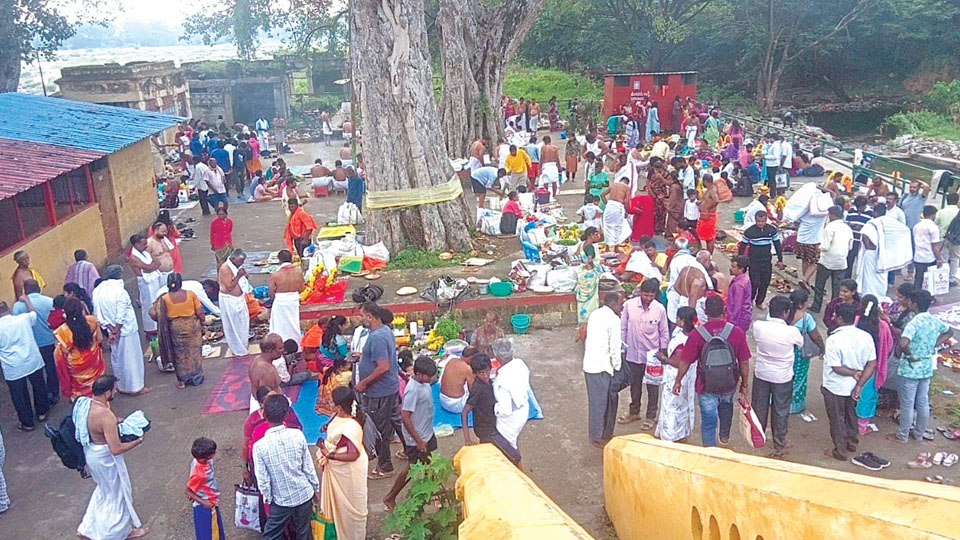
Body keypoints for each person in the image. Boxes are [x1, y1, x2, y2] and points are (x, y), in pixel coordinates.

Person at [74, 375, 148, 539]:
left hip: (91, 453)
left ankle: (88, 527)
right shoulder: (105, 415)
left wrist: (115, 422)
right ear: (107, 393)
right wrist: (138, 441)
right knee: (117, 493)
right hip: (105, 458)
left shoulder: (84, 404)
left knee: (103, 490)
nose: (115, 391)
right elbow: (116, 449)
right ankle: (118, 532)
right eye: (113, 389)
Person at [675, 296, 751, 447]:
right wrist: (744, 384)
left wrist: (678, 380)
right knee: (726, 406)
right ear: (724, 310)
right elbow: (744, 362)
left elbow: (685, 361)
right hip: (729, 382)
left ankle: (710, 452)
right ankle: (724, 434)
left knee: (708, 420)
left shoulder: (697, 334)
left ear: (705, 311)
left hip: (706, 385)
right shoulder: (736, 332)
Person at [888, 289, 952, 445]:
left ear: (914, 304)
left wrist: (910, 355)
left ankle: (902, 435)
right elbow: (949, 332)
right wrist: (934, 345)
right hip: (926, 366)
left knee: (907, 403)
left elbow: (903, 343)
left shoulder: (914, 323)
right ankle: (918, 433)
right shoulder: (933, 320)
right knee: (922, 402)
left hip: (910, 368)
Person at [253, 394, 320, 540]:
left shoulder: (259, 447)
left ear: (264, 414)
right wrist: (315, 489)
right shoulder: (298, 435)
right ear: (286, 413)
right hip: (304, 493)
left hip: (281, 499)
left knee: (271, 535)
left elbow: (262, 480)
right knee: (304, 532)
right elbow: (308, 467)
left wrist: (269, 499)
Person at [821, 303, 877, 461]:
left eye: (835, 316)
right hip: (855, 385)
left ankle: (840, 451)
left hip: (835, 385)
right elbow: (872, 363)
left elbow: (836, 367)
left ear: (839, 318)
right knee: (851, 413)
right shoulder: (866, 336)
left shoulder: (834, 339)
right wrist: (859, 384)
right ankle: (852, 442)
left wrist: (853, 373)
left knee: (837, 418)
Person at [751, 296, 804, 458]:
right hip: (782, 376)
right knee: (780, 410)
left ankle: (758, 438)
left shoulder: (758, 326)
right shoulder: (792, 332)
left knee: (759, 407)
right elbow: (801, 343)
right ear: (786, 313)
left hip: (762, 372)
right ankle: (779, 443)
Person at [383, 356, 437, 511]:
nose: (431, 378)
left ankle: (434, 492)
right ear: (419, 374)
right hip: (418, 438)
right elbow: (405, 417)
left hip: (427, 432)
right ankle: (390, 497)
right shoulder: (412, 391)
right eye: (428, 376)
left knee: (431, 463)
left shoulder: (424, 383)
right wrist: (418, 440)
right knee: (412, 468)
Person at [356, 302, 401, 480]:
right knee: (394, 421)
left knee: (378, 429)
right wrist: (364, 357)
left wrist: (364, 383)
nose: (360, 319)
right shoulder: (384, 331)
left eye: (362, 316)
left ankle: (385, 466)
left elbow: (383, 367)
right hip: (388, 388)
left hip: (379, 391)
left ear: (370, 316)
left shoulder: (376, 337)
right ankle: (411, 451)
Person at [316, 387, 368, 540]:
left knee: (348, 508)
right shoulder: (338, 416)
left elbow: (353, 454)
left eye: (331, 401)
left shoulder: (351, 426)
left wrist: (329, 454)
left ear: (339, 407)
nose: (328, 402)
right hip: (339, 470)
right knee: (339, 507)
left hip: (348, 473)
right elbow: (337, 435)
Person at [618, 279, 668, 430]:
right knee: (635, 385)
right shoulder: (629, 306)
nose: (648, 298)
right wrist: (622, 349)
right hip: (633, 353)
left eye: (651, 296)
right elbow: (623, 328)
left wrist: (663, 352)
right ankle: (634, 412)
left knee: (652, 387)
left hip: (652, 357)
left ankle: (651, 416)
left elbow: (664, 332)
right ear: (640, 293)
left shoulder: (659, 309)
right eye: (645, 295)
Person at [92, 265, 149, 395]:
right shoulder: (120, 291)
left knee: (117, 358)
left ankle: (120, 386)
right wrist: (116, 330)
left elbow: (97, 313)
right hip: (125, 330)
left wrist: (110, 330)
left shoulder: (98, 291)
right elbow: (121, 313)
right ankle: (135, 388)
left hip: (110, 329)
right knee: (131, 358)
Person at [0, 295, 50, 431]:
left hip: (13, 366)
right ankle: (42, 413)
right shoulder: (22, 319)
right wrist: (27, 300)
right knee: (39, 386)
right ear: (9, 310)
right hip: (31, 359)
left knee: (19, 395)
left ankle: (27, 423)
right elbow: (33, 314)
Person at [462, 354, 522, 463]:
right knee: (514, 456)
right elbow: (465, 412)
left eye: (487, 371)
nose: (485, 375)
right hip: (486, 430)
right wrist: (467, 439)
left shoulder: (489, 382)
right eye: (481, 373)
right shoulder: (477, 389)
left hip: (495, 423)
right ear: (475, 373)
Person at [149, 273, 205, 388]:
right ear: (180, 283)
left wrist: (161, 320)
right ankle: (196, 378)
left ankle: (182, 381)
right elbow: (200, 312)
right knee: (194, 352)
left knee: (179, 353)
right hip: (192, 327)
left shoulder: (164, 298)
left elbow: (152, 313)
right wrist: (203, 323)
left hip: (175, 328)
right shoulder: (190, 294)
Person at [583, 292, 623, 447]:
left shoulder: (595, 314)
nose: (621, 307)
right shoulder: (613, 320)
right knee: (600, 404)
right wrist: (618, 366)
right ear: (613, 304)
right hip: (602, 367)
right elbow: (614, 347)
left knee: (598, 402)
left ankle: (601, 432)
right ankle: (597, 436)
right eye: (620, 304)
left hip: (591, 364)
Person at [12, 279, 58, 403]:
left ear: (25, 290)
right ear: (38, 288)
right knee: (51, 368)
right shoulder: (49, 301)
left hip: (31, 344)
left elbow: (17, 325)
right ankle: (54, 392)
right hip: (48, 341)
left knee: (37, 374)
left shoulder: (18, 306)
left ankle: (43, 397)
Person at [656, 307, 698, 443]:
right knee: (683, 404)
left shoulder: (681, 341)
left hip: (677, 377)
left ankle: (670, 435)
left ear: (682, 320)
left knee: (672, 406)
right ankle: (682, 432)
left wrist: (663, 358)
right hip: (689, 376)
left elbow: (679, 363)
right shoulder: (695, 334)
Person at [854, 295, 893, 435]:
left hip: (854, 364)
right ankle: (862, 426)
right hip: (873, 367)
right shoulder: (883, 326)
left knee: (851, 391)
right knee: (867, 395)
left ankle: (848, 420)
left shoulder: (856, 321)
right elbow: (888, 347)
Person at [856, 203, 911, 299]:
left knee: (869, 278)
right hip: (884, 255)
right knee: (881, 278)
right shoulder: (891, 222)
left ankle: (869, 297)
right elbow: (905, 230)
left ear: (875, 212)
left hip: (871, 254)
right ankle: (880, 297)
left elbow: (866, 239)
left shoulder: (871, 223)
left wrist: (873, 247)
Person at [53, 297, 104, 400]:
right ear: (81, 310)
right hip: (94, 361)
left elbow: (64, 352)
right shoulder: (92, 321)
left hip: (76, 367)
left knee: (80, 392)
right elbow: (100, 339)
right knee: (97, 387)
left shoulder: (63, 331)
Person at [491, 338, 531, 455]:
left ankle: (516, 470)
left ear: (497, 357)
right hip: (523, 407)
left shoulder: (502, 381)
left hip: (511, 417)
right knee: (511, 444)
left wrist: (494, 408)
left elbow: (505, 410)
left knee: (507, 448)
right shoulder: (520, 364)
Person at [811, 206, 854, 312]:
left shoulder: (830, 227)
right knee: (837, 288)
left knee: (820, 285)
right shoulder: (847, 228)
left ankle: (816, 306)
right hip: (841, 261)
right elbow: (850, 246)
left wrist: (818, 248)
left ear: (832, 215)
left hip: (827, 261)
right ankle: (834, 308)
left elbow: (825, 247)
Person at [788, 289, 824, 416]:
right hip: (799, 354)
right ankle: (794, 406)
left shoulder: (783, 313)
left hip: (784, 351)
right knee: (799, 378)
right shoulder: (806, 318)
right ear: (801, 304)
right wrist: (822, 349)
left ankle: (777, 402)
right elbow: (816, 337)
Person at [738, 210, 784, 308]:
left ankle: (759, 302)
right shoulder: (750, 232)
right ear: (755, 220)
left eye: (762, 221)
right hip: (754, 261)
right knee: (754, 283)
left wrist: (780, 259)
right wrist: (740, 261)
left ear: (766, 220)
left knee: (765, 283)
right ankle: (749, 301)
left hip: (766, 261)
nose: (760, 223)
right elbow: (742, 246)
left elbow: (777, 245)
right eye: (758, 221)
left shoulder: (771, 230)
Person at [185, 437, 225, 540]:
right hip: (206, 506)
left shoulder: (201, 461)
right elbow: (188, 491)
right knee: (211, 535)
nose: (215, 453)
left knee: (216, 531)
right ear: (205, 457)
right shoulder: (199, 474)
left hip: (211, 502)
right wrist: (204, 502)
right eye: (213, 453)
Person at [218, 249, 251, 356]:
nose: (242, 263)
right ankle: (238, 349)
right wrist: (238, 276)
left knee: (243, 322)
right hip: (229, 300)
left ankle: (243, 345)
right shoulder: (225, 268)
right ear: (233, 259)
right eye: (240, 261)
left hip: (239, 299)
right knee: (233, 325)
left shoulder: (237, 267)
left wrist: (244, 276)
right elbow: (229, 287)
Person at [128, 234, 163, 337]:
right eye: (143, 244)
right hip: (145, 282)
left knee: (157, 301)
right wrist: (153, 266)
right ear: (136, 244)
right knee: (148, 304)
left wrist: (153, 266)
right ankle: (150, 329)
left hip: (153, 279)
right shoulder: (133, 257)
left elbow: (157, 262)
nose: (146, 246)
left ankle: (159, 325)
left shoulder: (145, 253)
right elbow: (148, 267)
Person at [268, 250, 305, 346]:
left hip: (280, 301)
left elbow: (271, 293)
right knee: (294, 324)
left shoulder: (275, 275)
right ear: (291, 259)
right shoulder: (298, 272)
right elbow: (301, 289)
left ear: (280, 260)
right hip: (293, 301)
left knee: (280, 327)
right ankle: (296, 346)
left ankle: (280, 346)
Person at [248, 334, 284, 412]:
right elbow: (267, 398)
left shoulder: (257, 358)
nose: (283, 350)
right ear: (270, 350)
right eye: (280, 348)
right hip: (271, 410)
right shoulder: (266, 370)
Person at [912, 205, 942, 288]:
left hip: (918, 256)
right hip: (929, 257)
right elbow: (935, 245)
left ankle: (916, 296)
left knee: (918, 278)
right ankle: (929, 297)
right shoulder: (933, 227)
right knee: (929, 280)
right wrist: (939, 259)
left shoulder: (916, 226)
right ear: (933, 215)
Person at [439, 347, 475, 414]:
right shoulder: (467, 368)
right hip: (456, 405)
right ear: (471, 358)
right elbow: (472, 390)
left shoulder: (451, 359)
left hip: (442, 400)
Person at [845, 196, 873, 279]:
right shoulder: (851, 211)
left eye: (860, 207)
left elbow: (871, 227)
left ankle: (860, 279)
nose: (859, 209)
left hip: (863, 241)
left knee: (862, 262)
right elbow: (846, 222)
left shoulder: (871, 213)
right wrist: (850, 225)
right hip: (852, 240)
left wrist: (862, 228)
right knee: (849, 261)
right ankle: (847, 279)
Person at [935, 192, 960, 285]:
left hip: (943, 238)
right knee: (955, 258)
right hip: (956, 239)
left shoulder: (941, 212)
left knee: (943, 258)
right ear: (957, 201)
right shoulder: (958, 212)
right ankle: (951, 279)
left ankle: (942, 278)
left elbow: (936, 223)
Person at [726, 256, 753, 332]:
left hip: (739, 319)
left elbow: (737, 305)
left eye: (734, 267)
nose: (731, 269)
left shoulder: (738, 285)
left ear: (741, 269)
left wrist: (732, 322)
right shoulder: (745, 278)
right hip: (744, 317)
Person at [601, 176, 630, 245]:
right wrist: (627, 210)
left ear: (620, 180)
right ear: (627, 183)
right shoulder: (626, 187)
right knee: (617, 227)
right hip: (618, 206)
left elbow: (602, 195)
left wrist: (607, 204)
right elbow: (627, 201)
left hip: (610, 205)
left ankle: (607, 246)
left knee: (607, 226)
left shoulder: (613, 184)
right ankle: (616, 247)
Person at [697, 174, 719, 253]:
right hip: (705, 216)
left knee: (709, 238)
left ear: (705, 181)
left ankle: (709, 255)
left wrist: (708, 208)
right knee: (706, 237)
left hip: (708, 216)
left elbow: (716, 200)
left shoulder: (712, 190)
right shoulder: (710, 189)